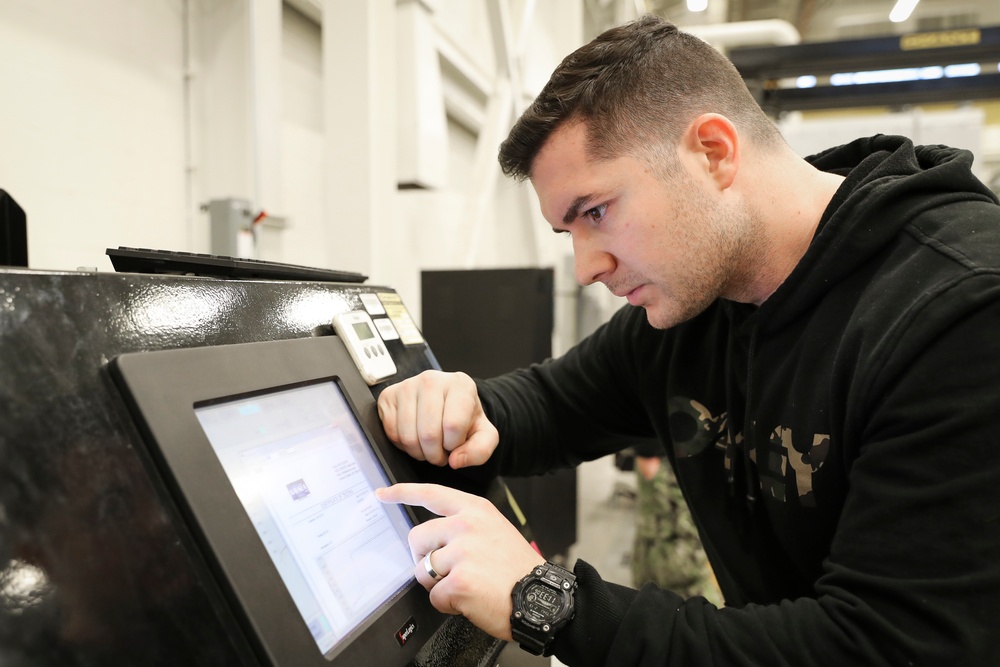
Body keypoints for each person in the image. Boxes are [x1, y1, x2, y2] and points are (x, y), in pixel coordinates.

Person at [375, 13, 1000, 667]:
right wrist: (463, 410)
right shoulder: (695, 309)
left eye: (596, 211)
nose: (586, 267)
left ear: (714, 152)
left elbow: (882, 644)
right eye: (569, 232)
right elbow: (551, 403)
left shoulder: (958, 309)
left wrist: (547, 599)